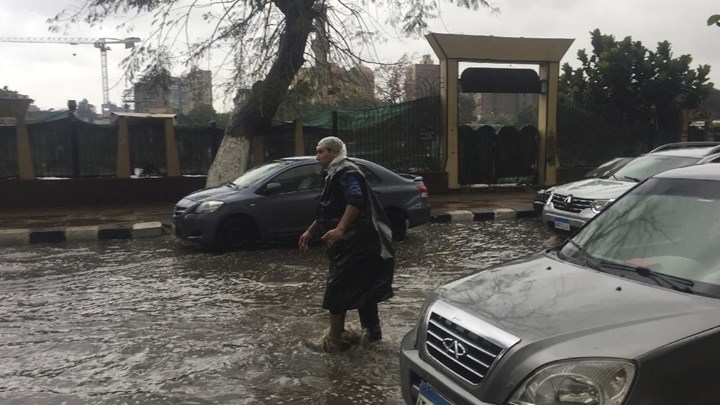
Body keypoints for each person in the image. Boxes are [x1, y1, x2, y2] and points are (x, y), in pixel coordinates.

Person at [299, 136, 395, 353]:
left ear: (333, 152)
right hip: (353, 243)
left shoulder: (347, 172)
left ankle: (334, 341)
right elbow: (328, 209)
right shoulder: (335, 173)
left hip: (357, 243)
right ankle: (373, 339)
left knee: (336, 289)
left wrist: (341, 229)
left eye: (321, 151)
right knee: (365, 289)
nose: (317, 156)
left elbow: (355, 200)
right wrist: (310, 231)